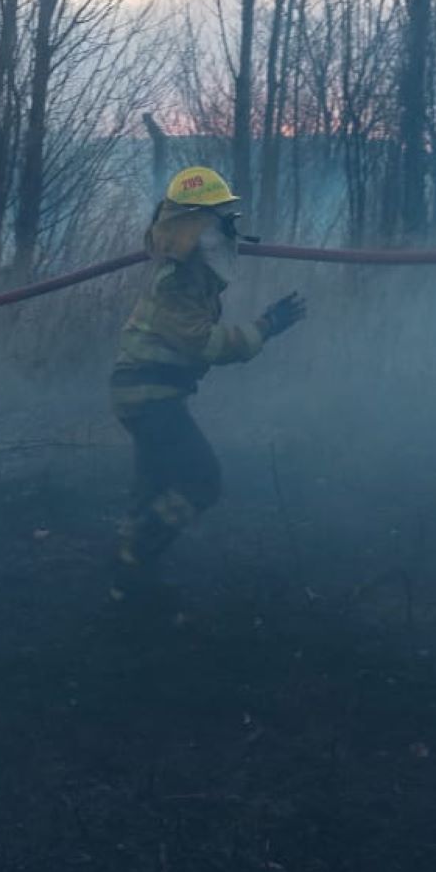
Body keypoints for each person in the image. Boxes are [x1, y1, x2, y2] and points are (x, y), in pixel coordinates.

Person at [108, 167, 306, 604]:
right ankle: (136, 552)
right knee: (202, 482)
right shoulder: (176, 284)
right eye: (219, 225)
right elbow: (210, 345)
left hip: (149, 392)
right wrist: (266, 326)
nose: (226, 236)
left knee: (153, 483)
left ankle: (129, 580)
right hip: (149, 395)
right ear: (192, 231)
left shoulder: (192, 275)